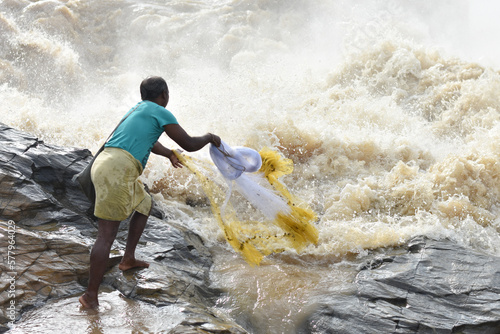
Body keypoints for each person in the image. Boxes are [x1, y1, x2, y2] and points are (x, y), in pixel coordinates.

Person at [79, 76, 221, 309]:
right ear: (164, 94)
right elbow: (189, 143)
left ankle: (128, 259)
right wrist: (210, 137)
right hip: (118, 168)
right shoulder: (160, 111)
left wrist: (168, 153)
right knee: (106, 235)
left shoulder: (139, 109)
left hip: (108, 163)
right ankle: (90, 295)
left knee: (144, 204)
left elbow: (148, 141)